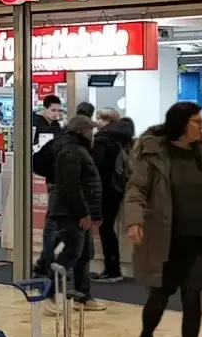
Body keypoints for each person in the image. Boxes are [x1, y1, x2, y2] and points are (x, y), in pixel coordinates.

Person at [125, 102, 202, 337]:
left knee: (192, 301)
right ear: (182, 124)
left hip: (199, 240)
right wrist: (134, 221)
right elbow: (136, 189)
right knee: (158, 299)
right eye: (197, 122)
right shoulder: (155, 154)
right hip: (166, 241)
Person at [46, 115, 105, 311]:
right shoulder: (70, 151)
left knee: (84, 253)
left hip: (77, 210)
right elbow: (71, 185)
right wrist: (83, 213)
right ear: (82, 131)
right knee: (71, 253)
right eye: (90, 130)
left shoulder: (77, 149)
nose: (93, 134)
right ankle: (52, 295)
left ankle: (82, 295)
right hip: (70, 212)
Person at [92, 111, 135, 282]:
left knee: (105, 228)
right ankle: (113, 268)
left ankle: (112, 269)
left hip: (105, 188)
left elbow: (97, 166)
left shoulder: (103, 139)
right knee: (108, 227)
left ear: (108, 121)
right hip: (118, 187)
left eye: (101, 118)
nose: (98, 121)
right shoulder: (125, 136)